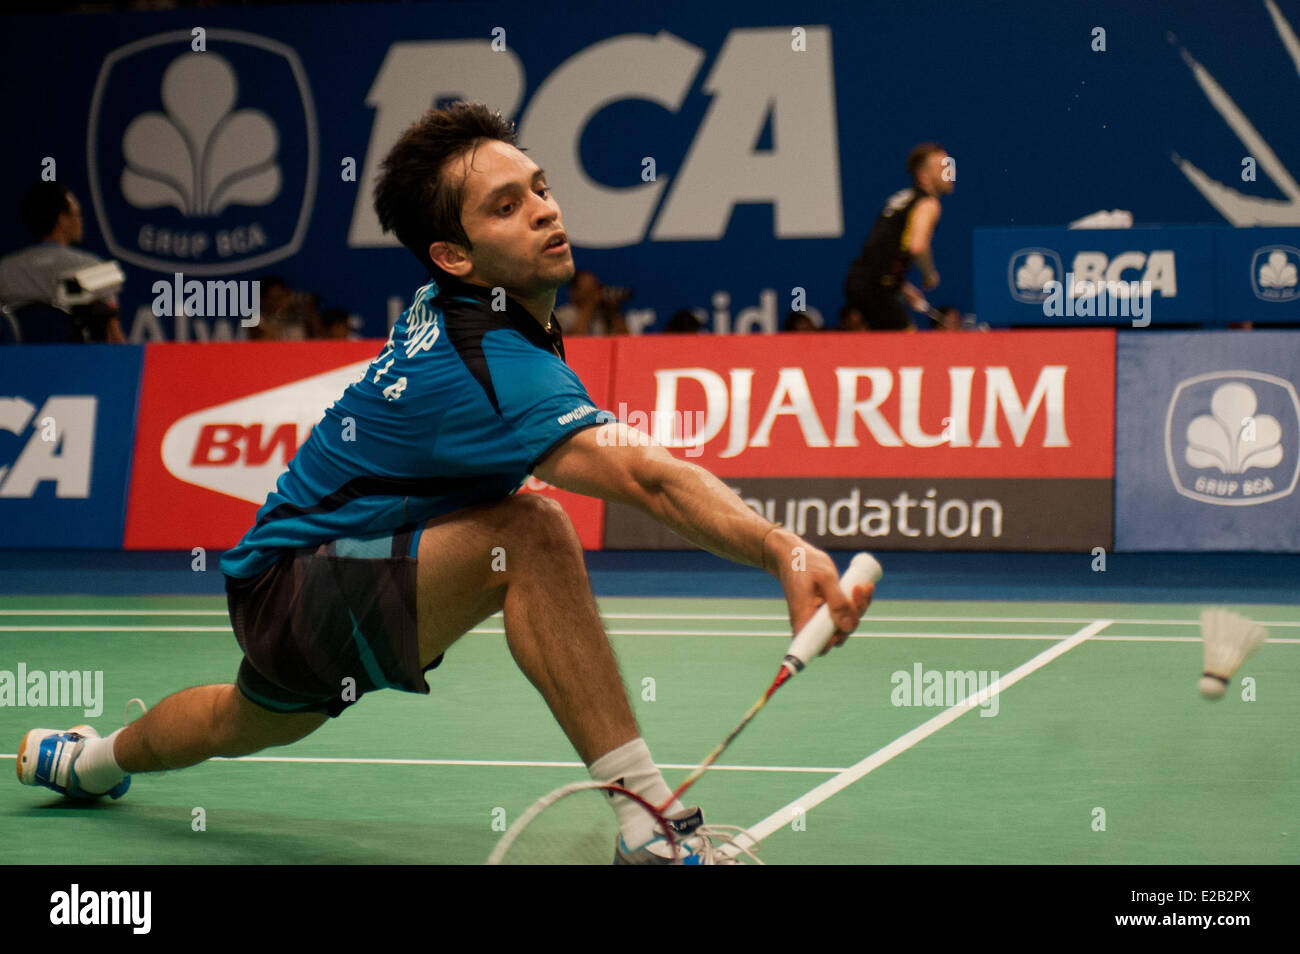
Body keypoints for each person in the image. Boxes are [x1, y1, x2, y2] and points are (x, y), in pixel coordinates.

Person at [16, 102, 873, 865]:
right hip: (305, 580)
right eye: (507, 206)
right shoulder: (488, 357)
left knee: (232, 720)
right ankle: (648, 824)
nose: (543, 209)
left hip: (285, 581)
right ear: (453, 255)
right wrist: (781, 548)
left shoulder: (475, 307)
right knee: (530, 537)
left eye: (538, 187)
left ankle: (87, 761)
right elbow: (647, 479)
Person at [843, 143, 954, 331]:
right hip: (876, 287)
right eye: (943, 168)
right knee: (907, 346)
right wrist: (929, 275)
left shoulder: (903, 200)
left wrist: (901, 286)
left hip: (863, 281)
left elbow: (881, 251)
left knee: (889, 342)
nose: (950, 173)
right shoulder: (928, 203)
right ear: (923, 175)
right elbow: (917, 246)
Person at [0, 182, 126, 343]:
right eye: (77, 215)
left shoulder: (4, 269)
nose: (80, 221)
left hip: (13, 365)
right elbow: (114, 338)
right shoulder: (96, 270)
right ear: (63, 220)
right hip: (77, 364)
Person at [553, 268, 628, 335]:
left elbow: (625, 339)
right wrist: (589, 306)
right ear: (574, 292)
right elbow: (574, 339)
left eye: (594, 289)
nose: (593, 295)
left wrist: (613, 311)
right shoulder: (565, 314)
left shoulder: (602, 315)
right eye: (588, 292)